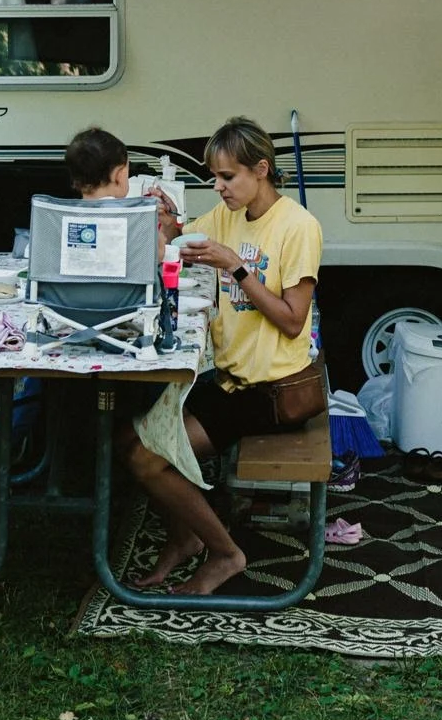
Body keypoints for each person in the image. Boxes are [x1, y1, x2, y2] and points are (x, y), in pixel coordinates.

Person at [118, 116, 323, 596]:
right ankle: (184, 538)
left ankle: (226, 553)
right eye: (215, 177)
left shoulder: (298, 227)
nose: (219, 187)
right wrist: (164, 219)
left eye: (228, 177)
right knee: (127, 438)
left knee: (148, 458)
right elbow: (179, 239)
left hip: (273, 392)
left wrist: (237, 267)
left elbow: (294, 320)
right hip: (233, 382)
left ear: (262, 170)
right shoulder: (228, 215)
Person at [61, 125, 182, 253]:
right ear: (118, 175)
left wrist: (167, 223)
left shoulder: (62, 222)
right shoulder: (134, 222)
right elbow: (161, 256)